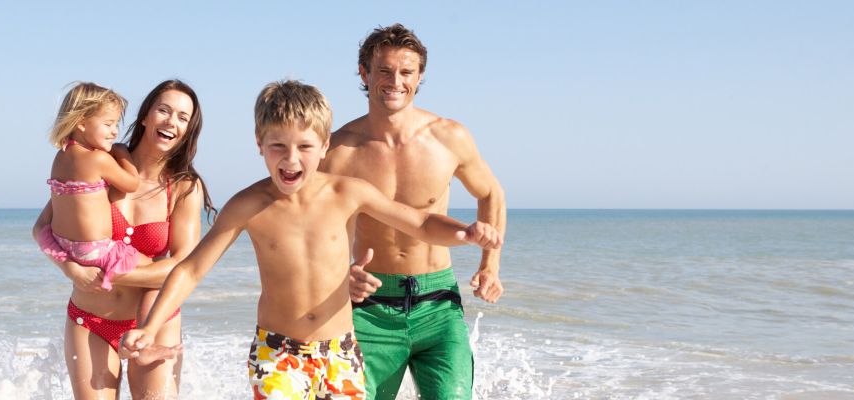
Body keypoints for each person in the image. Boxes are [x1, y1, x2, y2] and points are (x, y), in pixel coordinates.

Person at [119, 80, 502, 400]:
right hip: (278, 351)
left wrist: (465, 233)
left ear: (324, 146)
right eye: (278, 147)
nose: (291, 160)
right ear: (259, 144)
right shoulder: (249, 204)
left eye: (304, 147)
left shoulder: (348, 193)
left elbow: (419, 222)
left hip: (342, 351)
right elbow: (190, 269)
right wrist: (150, 328)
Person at [322, 23, 506, 399]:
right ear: (364, 73)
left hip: (438, 304)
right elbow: (311, 229)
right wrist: (341, 276)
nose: (396, 81)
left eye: (406, 72)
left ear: (419, 76)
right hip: (368, 307)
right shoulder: (338, 150)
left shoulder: (448, 136)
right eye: (385, 71)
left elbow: (491, 193)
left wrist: (490, 265)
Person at [33, 79, 215, 399]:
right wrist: (70, 269)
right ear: (146, 116)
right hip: (90, 321)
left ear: (188, 130)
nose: (172, 121)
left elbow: (183, 266)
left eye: (183, 117)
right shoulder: (99, 164)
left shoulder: (185, 188)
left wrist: (112, 274)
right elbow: (46, 226)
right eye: (164, 110)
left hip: (154, 324)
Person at [36, 82, 143, 291]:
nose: (114, 132)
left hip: (64, 246)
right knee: (162, 273)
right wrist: (122, 152)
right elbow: (132, 184)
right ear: (82, 123)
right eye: (108, 124)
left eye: (116, 125)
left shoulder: (61, 157)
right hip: (96, 251)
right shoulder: (98, 159)